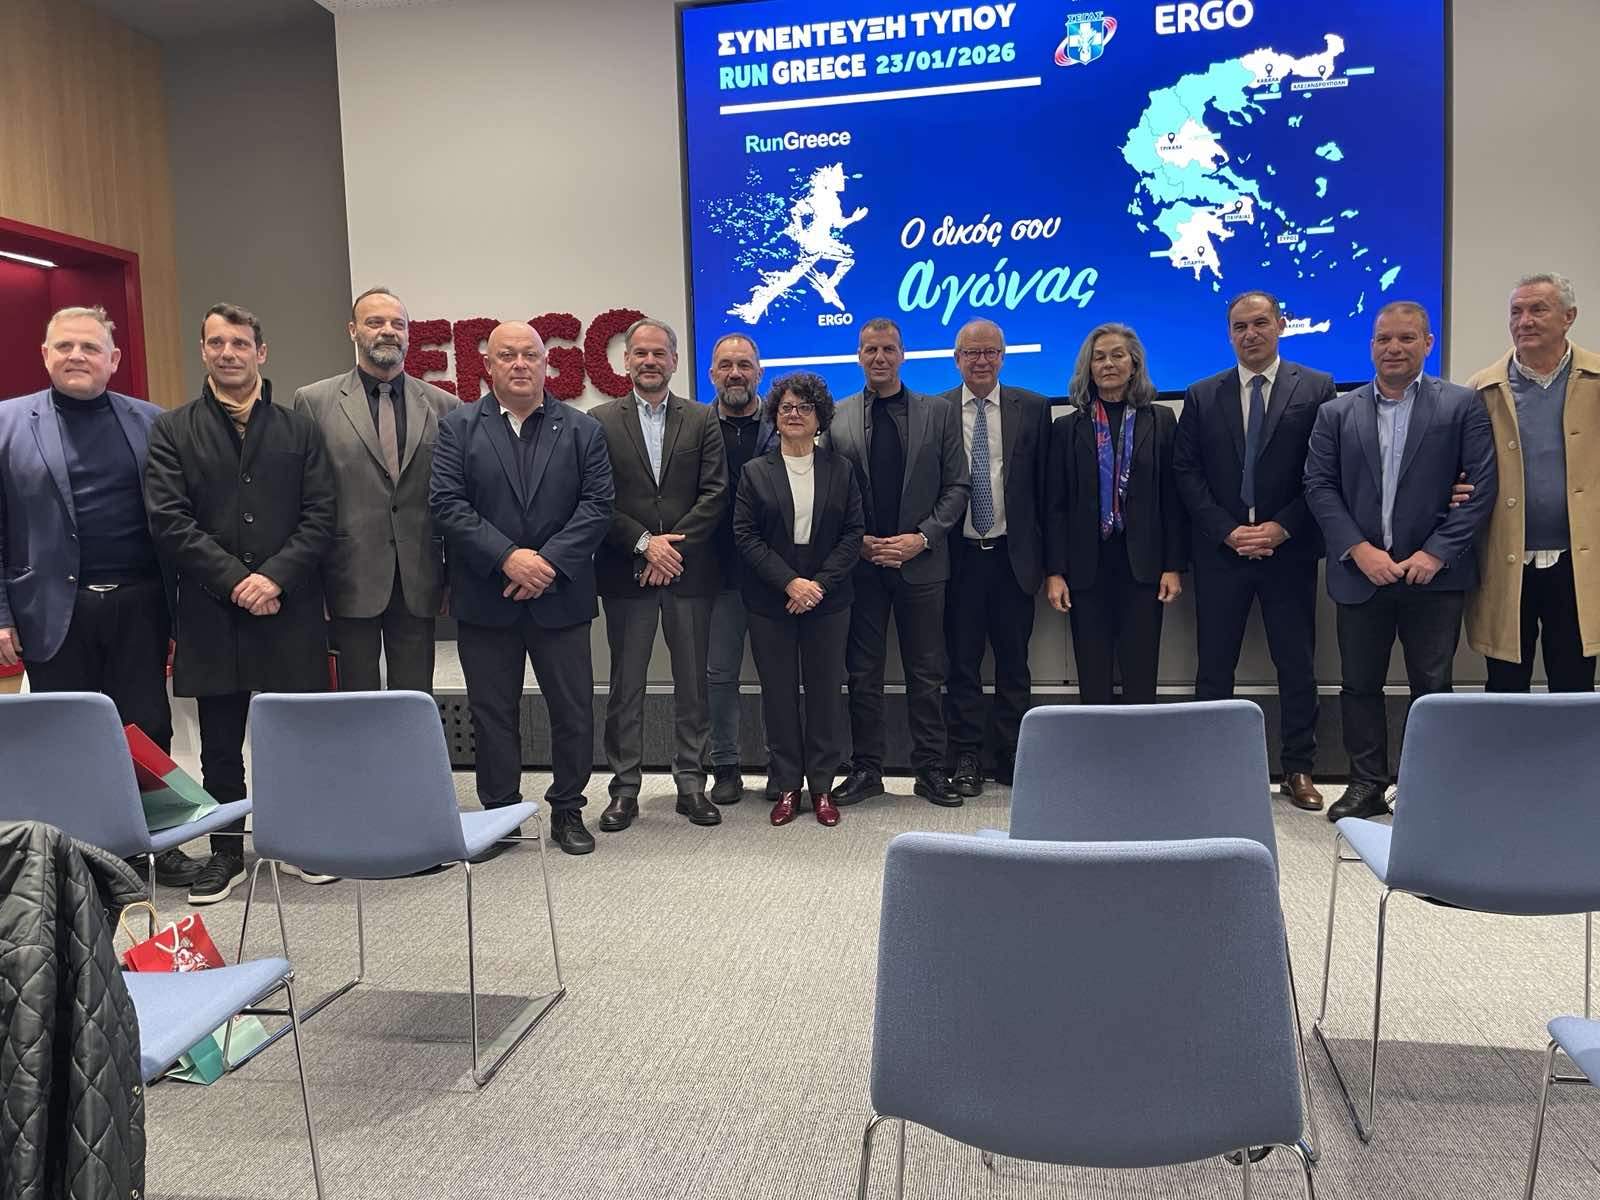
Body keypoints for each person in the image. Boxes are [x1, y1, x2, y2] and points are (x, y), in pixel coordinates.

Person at [145, 302, 337, 903]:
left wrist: (273, 578)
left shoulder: (299, 429)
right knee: (220, 743)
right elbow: (168, 520)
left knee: (292, 736)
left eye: (239, 343)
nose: (228, 353)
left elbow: (321, 516)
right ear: (203, 351)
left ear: (261, 352)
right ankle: (226, 852)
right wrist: (235, 581)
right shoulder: (172, 430)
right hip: (212, 607)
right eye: (216, 343)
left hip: (289, 606)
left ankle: (296, 840)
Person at [0, 306, 198, 886]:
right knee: (66, 734)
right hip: (50, 610)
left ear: (113, 359)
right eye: (64, 346)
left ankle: (157, 845)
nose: (76, 356)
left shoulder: (152, 423)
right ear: (45, 354)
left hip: (141, 603)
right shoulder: (7, 424)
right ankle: (80, 856)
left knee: (149, 726)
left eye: (90, 347)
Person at [1303, 301, 1497, 821]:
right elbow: (1318, 486)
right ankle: (1366, 783)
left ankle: (1425, 787)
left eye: (1406, 338)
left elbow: (1481, 489)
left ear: (1427, 344)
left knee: (1432, 687)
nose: (1394, 348)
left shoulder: (1461, 406)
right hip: (1360, 574)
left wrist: (1435, 553)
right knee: (1359, 685)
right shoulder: (1336, 413)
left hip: (1433, 577)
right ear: (1371, 346)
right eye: (1384, 338)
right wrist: (1359, 550)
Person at [429, 322, 613, 856]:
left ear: (545, 363)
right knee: (492, 713)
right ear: (488, 365)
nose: (519, 364)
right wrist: (508, 558)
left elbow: (598, 505)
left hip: (561, 596)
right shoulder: (458, 427)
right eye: (507, 355)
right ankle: (501, 812)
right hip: (487, 596)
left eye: (530, 354)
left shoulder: (582, 429)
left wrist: (546, 563)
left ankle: (568, 810)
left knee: (573, 711)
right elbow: (447, 504)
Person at [1174, 291, 1338, 811]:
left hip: (1288, 551)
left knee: (1296, 664)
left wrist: (1283, 527)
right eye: (1240, 326)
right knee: (1213, 666)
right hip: (1221, 553)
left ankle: (1299, 768)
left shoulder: (1316, 387)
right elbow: (1187, 473)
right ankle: (1212, 769)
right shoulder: (1202, 394)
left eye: (1260, 323)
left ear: (1280, 325)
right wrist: (1227, 531)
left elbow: (1324, 470)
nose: (1251, 334)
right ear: (1230, 334)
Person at [823, 318, 968, 807]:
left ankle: (930, 769)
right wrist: (857, 541)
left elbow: (957, 486)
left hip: (921, 564)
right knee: (862, 674)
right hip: (861, 566)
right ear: (858, 356)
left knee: (926, 673)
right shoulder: (837, 416)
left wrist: (921, 538)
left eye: (888, 349)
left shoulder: (939, 412)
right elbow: (829, 490)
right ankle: (867, 770)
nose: (879, 358)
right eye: (870, 350)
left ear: (903, 354)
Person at [591, 319, 728, 831]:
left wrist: (668, 551)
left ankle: (691, 784)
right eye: (640, 353)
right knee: (625, 686)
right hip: (627, 574)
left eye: (659, 353)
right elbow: (597, 498)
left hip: (688, 575)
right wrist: (645, 546)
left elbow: (715, 493)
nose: (650, 361)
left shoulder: (703, 418)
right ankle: (624, 788)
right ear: (626, 360)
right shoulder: (599, 421)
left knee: (693, 685)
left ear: (674, 360)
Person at [292, 286, 459, 692]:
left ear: (408, 334)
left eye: (397, 324)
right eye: (375, 322)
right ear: (352, 330)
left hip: (419, 576)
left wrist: (451, 576)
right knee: (355, 699)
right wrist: (311, 581)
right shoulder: (314, 402)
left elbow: (453, 498)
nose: (388, 331)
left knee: (414, 697)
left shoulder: (444, 405)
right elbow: (303, 497)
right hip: (346, 576)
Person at [734, 372, 863, 826]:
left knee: (826, 693)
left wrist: (817, 586)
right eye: (786, 407)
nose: (794, 414)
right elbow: (745, 536)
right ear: (775, 415)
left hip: (828, 599)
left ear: (820, 417)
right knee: (779, 694)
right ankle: (787, 784)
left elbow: (853, 534)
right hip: (771, 599)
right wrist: (790, 583)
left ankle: (822, 787)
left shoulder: (841, 469)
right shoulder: (755, 472)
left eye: (804, 407)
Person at [1464, 273, 1599, 693]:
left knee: (1574, 683)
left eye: (1538, 309)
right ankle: (1507, 743)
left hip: (1579, 562)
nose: (1525, 321)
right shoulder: (1481, 389)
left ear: (1569, 317)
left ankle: (1572, 743)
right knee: (1505, 685)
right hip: (1506, 562)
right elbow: (1460, 468)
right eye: (1516, 312)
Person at [1044, 323, 1186, 704]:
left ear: (1134, 364)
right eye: (1099, 357)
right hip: (1085, 568)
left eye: (1117, 355)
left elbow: (1172, 500)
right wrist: (1054, 571)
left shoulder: (1161, 421)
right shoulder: (1066, 428)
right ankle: (1097, 744)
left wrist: (1173, 565)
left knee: (1141, 675)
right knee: (1093, 678)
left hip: (1144, 566)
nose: (1108, 364)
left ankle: (1139, 744)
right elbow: (1055, 505)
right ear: (1088, 368)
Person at [938, 319, 1051, 793]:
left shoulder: (1034, 408)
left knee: (1014, 663)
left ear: (1002, 357)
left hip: (1013, 557)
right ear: (957, 359)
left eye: (990, 352)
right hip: (959, 557)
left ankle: (1011, 753)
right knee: (961, 663)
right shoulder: (937, 410)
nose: (981, 361)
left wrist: (1051, 565)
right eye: (971, 353)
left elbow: (1047, 491)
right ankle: (966, 755)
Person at [705, 332, 777, 805]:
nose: (736, 373)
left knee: (777, 675)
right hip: (717, 574)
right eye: (727, 365)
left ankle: (781, 764)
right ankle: (725, 767)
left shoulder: (785, 421)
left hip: (774, 573)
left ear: (759, 372)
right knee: (720, 676)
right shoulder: (695, 425)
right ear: (712, 374)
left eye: (745, 365)